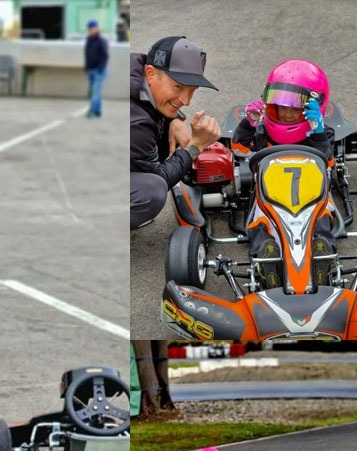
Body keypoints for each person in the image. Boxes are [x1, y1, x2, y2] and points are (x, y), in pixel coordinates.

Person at [233, 60, 336, 287]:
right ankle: (265, 259)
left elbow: (328, 163)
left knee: (321, 221)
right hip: (270, 197)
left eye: (295, 108)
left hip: (313, 196)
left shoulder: (322, 133)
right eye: (282, 106)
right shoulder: (263, 131)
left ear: (313, 106)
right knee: (260, 224)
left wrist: (317, 133)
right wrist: (249, 124)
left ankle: (322, 258)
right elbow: (239, 149)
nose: (288, 114)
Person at [130, 36, 222, 230]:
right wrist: (196, 146)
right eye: (178, 87)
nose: (186, 101)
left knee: (163, 134)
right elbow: (160, 177)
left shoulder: (134, 67)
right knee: (151, 192)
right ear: (150, 74)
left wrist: (174, 119)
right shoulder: (136, 124)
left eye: (192, 90)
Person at [84, 20, 108, 118]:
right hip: (91, 69)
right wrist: (87, 67)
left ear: (97, 28)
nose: (92, 30)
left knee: (95, 91)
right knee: (95, 91)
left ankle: (92, 111)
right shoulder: (89, 40)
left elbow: (105, 55)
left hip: (99, 70)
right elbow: (87, 55)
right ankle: (97, 111)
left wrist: (100, 68)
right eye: (90, 28)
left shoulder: (101, 41)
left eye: (93, 28)